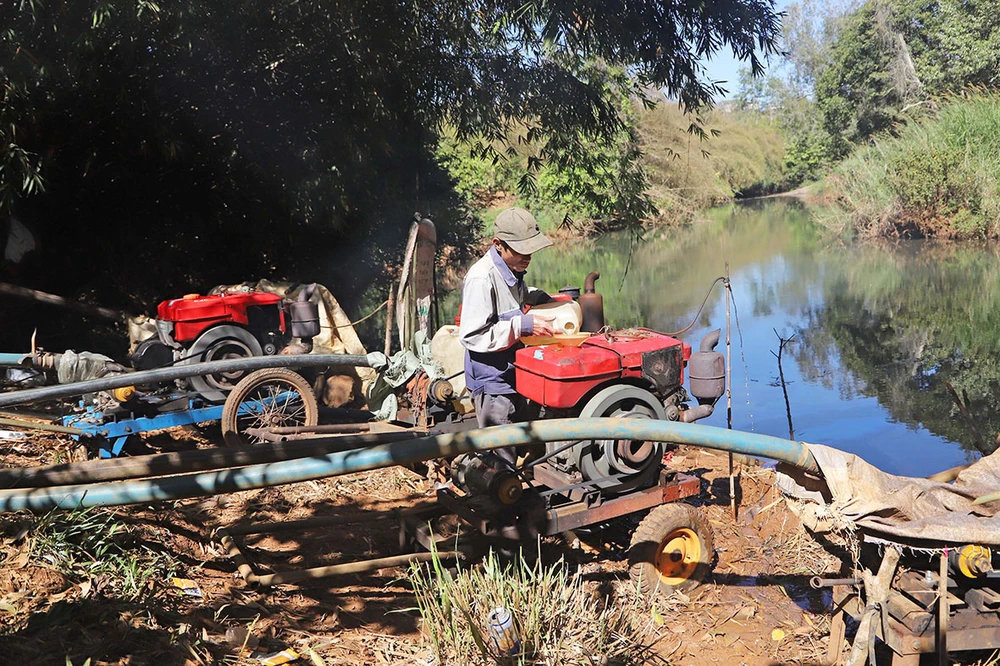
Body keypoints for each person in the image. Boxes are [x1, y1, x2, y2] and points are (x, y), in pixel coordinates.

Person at [459, 207, 554, 462]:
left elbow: (508, 302)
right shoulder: (481, 277)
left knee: (518, 440)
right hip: (492, 379)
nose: (528, 256)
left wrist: (535, 296)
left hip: (512, 371)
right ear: (498, 245)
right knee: (499, 453)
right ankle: (498, 499)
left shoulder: (512, 270)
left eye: (530, 250)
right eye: (521, 250)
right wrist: (521, 326)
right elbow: (472, 335)